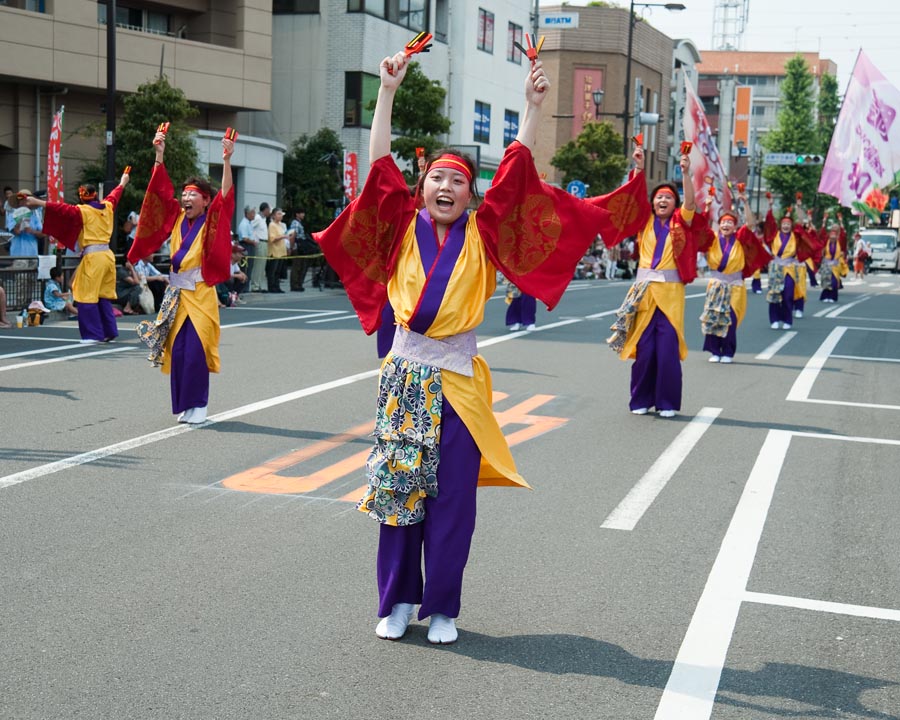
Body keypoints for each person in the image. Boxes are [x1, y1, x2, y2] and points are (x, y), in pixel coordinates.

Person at [314, 52, 643, 646]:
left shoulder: (485, 237)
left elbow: (517, 172)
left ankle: (442, 607)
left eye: (459, 181)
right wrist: (386, 92)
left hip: (459, 384)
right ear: (420, 189)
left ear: (471, 196)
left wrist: (534, 108)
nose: (446, 186)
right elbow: (379, 162)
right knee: (398, 492)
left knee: (452, 502)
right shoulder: (396, 227)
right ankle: (396, 601)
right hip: (404, 377)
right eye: (437, 177)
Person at [127, 127, 235, 424]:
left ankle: (199, 404)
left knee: (195, 353)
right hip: (176, 296)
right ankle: (186, 405)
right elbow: (160, 193)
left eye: (193, 195)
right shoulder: (177, 217)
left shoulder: (211, 221)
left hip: (200, 294)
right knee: (179, 354)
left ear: (205, 201)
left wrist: (226, 161)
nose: (186, 198)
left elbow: (225, 197)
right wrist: (159, 155)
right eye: (184, 193)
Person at [607, 145, 698, 418]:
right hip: (644, 296)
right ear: (653, 201)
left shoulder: (681, 221)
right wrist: (638, 167)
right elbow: (631, 200)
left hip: (670, 297)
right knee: (644, 351)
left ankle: (667, 403)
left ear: (674, 203)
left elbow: (691, 203)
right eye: (659, 197)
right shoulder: (644, 221)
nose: (663, 201)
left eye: (668, 198)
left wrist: (685, 172)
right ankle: (641, 399)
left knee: (667, 352)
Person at [26, 177, 128, 342]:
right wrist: (123, 181)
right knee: (102, 295)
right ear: (95, 195)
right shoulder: (107, 206)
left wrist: (38, 202)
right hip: (107, 256)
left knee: (85, 293)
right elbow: (115, 194)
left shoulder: (83, 210)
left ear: (82, 197)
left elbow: (61, 209)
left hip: (93, 257)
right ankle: (109, 331)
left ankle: (93, 335)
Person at [696, 193, 767, 363]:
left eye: (730, 222)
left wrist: (745, 203)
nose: (726, 224)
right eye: (723, 222)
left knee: (730, 320)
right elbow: (700, 230)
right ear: (719, 225)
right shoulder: (712, 240)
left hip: (735, 286)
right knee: (714, 318)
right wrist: (707, 208)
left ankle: (727, 352)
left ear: (735, 227)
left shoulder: (740, 239)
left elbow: (750, 224)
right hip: (717, 285)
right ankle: (715, 351)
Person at [762, 200, 819, 330]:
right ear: (780, 225)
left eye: (788, 224)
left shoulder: (796, 237)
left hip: (790, 269)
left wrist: (798, 207)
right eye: (784, 223)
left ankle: (787, 319)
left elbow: (800, 224)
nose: (786, 226)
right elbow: (769, 223)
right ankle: (774, 319)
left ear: (791, 225)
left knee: (788, 295)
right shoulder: (774, 235)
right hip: (776, 268)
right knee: (775, 295)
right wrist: (770, 206)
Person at [6, 189, 46, 263]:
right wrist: (20, 222)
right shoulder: (12, 216)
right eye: (21, 200)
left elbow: (43, 234)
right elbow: (16, 232)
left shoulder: (34, 217)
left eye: (26, 200)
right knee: (18, 273)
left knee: (32, 274)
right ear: (18, 202)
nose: (24, 202)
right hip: (17, 253)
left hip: (32, 253)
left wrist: (32, 231)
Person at [289, 207, 321, 291]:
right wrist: (291, 247)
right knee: (297, 266)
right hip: (298, 247)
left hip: (302, 247)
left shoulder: (300, 223)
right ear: (297, 214)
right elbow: (293, 236)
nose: (303, 215)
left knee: (302, 266)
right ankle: (294, 285)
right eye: (301, 213)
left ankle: (299, 284)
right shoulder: (295, 223)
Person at [265, 207, 289, 293]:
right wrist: (283, 236)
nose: (280, 216)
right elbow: (272, 238)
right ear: (273, 215)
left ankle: (277, 286)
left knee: (278, 271)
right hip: (274, 251)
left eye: (281, 214)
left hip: (281, 250)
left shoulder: (280, 225)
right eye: (278, 214)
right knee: (272, 271)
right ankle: (271, 287)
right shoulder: (272, 225)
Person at [249, 202, 269, 291]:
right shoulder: (257, 218)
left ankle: (259, 284)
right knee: (258, 265)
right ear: (265, 210)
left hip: (265, 242)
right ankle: (255, 285)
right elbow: (251, 228)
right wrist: (255, 239)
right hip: (260, 242)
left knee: (262, 265)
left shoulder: (263, 219)